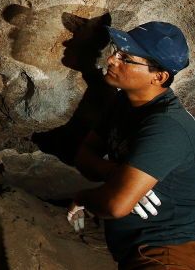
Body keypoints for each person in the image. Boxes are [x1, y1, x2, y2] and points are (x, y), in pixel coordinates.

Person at [67, 21, 195, 268]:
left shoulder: (167, 127)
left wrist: (83, 198)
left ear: (159, 76)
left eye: (126, 58)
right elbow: (84, 156)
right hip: (139, 250)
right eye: (116, 51)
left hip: (167, 254)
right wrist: (118, 174)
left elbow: (116, 206)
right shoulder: (122, 104)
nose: (112, 60)